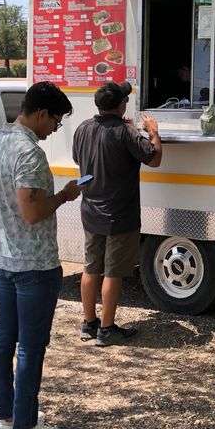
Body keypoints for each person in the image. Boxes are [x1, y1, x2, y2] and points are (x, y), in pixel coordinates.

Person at [0, 81, 81, 429]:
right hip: (33, 264)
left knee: (4, 339)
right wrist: (65, 196)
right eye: (55, 120)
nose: (55, 128)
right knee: (31, 346)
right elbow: (33, 211)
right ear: (40, 113)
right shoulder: (29, 154)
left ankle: (5, 420)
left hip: (2, 257)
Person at [72, 81, 162, 346]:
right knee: (113, 272)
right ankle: (108, 329)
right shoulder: (127, 132)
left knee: (91, 268)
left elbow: (80, 160)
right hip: (120, 214)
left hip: (90, 210)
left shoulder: (83, 128)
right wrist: (153, 132)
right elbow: (154, 158)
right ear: (121, 105)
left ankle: (89, 323)